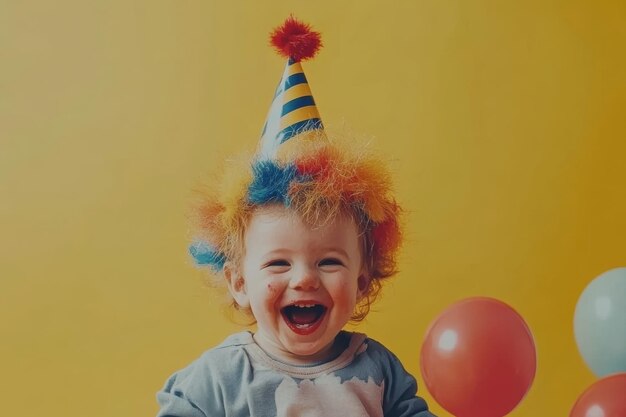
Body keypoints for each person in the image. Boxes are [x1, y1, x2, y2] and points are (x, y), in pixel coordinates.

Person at [156, 16, 436, 417]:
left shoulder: (379, 372)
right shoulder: (219, 379)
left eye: (329, 261)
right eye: (278, 263)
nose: (304, 278)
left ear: (361, 280)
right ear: (239, 282)